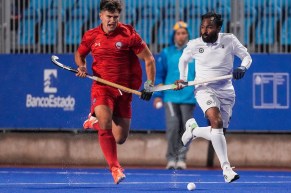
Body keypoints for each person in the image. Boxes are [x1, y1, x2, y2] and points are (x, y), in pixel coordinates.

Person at [74, 0, 155, 185]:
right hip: (102, 87)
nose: (112, 21)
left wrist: (149, 85)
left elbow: (149, 59)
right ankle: (115, 168)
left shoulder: (129, 34)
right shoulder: (91, 36)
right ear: (101, 16)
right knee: (105, 120)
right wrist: (82, 66)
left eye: (116, 17)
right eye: (109, 17)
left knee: (119, 138)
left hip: (124, 91)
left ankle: (92, 122)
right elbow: (80, 54)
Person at [174, 11, 252, 183]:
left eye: (209, 27)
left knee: (219, 132)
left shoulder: (229, 40)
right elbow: (183, 60)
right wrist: (184, 78)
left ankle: (193, 131)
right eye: (202, 27)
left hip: (226, 90)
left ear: (218, 28)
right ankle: (226, 168)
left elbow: (246, 57)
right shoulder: (194, 44)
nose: (204, 30)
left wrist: (243, 68)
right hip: (203, 88)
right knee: (215, 121)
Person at [154, 21, 196, 170]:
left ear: (188, 35)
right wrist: (157, 94)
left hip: (189, 97)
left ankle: (182, 158)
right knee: (173, 128)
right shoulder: (166, 53)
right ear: (174, 36)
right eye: (178, 33)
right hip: (170, 97)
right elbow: (159, 75)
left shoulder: (195, 53)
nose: (181, 36)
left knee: (188, 130)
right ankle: (171, 158)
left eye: (184, 33)